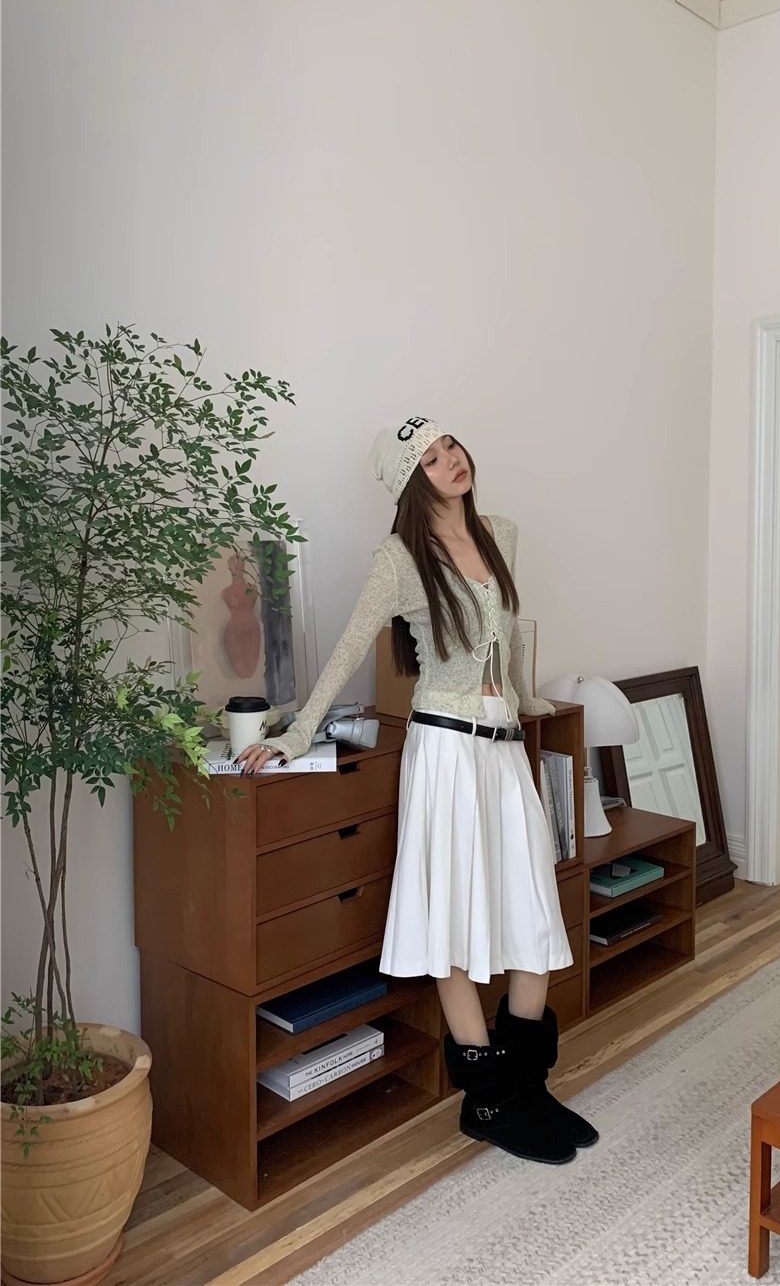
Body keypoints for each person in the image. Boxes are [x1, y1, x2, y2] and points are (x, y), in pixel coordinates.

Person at [239, 417, 598, 1164]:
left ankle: (524, 1086)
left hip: (503, 748)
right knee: (452, 922)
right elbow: (347, 648)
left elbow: (510, 633)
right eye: (430, 459)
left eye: (451, 446)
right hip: (445, 752)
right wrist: (297, 735)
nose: (450, 461)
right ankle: (490, 1100)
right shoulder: (399, 559)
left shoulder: (500, 532)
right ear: (410, 480)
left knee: (532, 907)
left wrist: (528, 699)